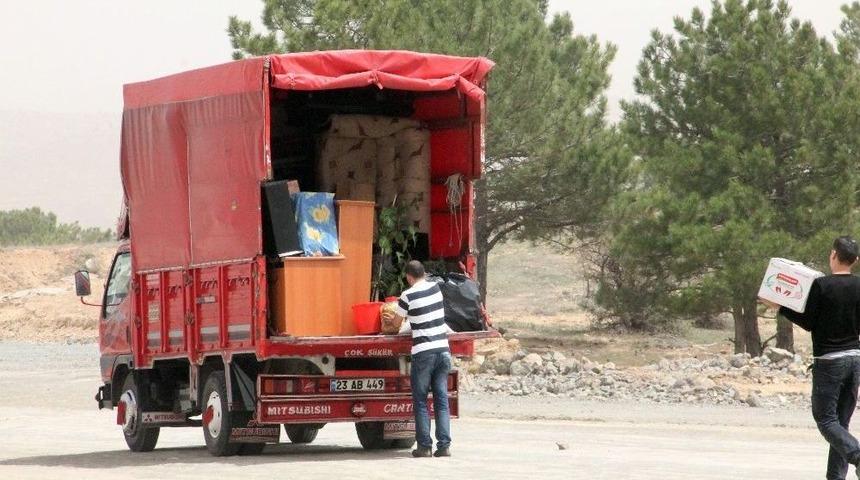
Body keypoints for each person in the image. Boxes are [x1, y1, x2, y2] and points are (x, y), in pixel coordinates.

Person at [760, 236, 860, 480]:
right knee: (840, 424)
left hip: (829, 360)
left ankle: (857, 455)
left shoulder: (822, 286)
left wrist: (780, 307)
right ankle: (836, 477)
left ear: (833, 255)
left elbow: (808, 322)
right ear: (855, 260)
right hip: (855, 358)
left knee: (826, 420)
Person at [391, 260, 452, 458]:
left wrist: (393, 319)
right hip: (443, 350)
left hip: (423, 353)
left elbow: (396, 324)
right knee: (441, 400)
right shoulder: (436, 289)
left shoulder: (407, 295)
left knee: (420, 400)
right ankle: (444, 446)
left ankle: (424, 446)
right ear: (424, 273)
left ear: (409, 277)